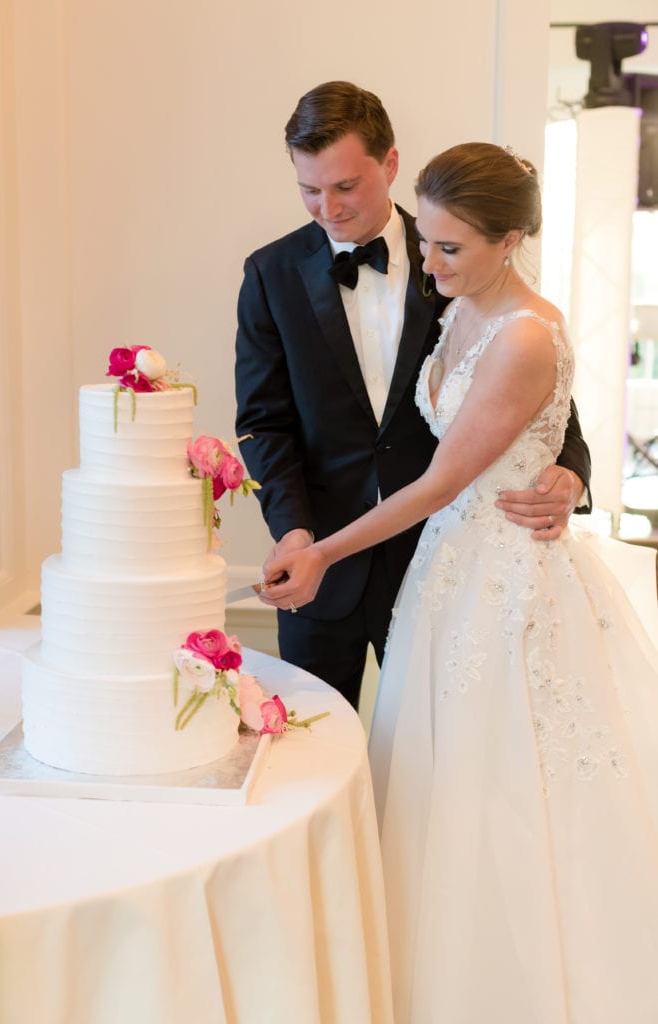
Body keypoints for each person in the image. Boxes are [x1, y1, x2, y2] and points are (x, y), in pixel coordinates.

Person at [259, 142, 658, 1022]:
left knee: (503, 780)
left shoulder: (519, 334)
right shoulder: (455, 306)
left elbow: (445, 478)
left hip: (503, 581)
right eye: (429, 245)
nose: (429, 263)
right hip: (442, 572)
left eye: (449, 249)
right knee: (427, 776)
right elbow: (283, 417)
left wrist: (570, 473)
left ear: (508, 239)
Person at [235, 81, 591, 709]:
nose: (328, 209)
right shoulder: (270, 273)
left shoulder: (460, 257)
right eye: (309, 189)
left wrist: (572, 473)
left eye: (345, 186)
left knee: (436, 756)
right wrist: (294, 531)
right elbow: (264, 422)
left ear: (390, 163)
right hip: (324, 559)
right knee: (314, 746)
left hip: (445, 561)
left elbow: (545, 392)